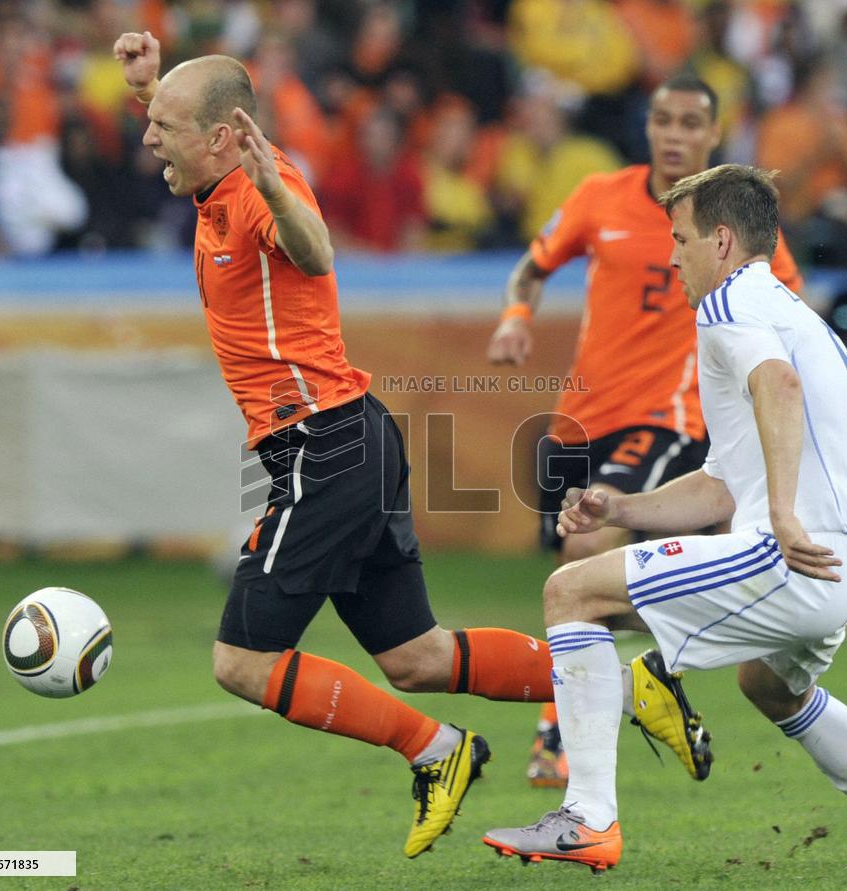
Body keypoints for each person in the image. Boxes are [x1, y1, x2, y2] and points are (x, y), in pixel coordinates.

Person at [111, 29, 597, 860]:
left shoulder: (261, 188)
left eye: (162, 125)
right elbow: (193, 129)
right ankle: (616, 683)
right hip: (351, 436)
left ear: (223, 139)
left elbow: (314, 249)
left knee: (241, 661)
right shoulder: (217, 171)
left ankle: (436, 750)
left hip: (323, 447)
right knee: (416, 656)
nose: (148, 137)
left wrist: (276, 191)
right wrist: (151, 89)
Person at [483, 164, 847, 873]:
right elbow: (722, 485)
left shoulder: (728, 304)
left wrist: (781, 515)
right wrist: (623, 506)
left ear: (721, 241)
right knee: (770, 686)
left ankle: (588, 817)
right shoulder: (788, 310)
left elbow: (778, 385)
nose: (671, 256)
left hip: (797, 553)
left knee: (572, 592)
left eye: (679, 239)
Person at [487, 73, 803, 788]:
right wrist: (515, 316)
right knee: (575, 583)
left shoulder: (732, 224)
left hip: (668, 419)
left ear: (714, 134)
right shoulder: (600, 197)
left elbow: (784, 305)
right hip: (577, 422)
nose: (674, 134)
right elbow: (532, 267)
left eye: (690, 122)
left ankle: (560, 738)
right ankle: (653, 677)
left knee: (587, 546)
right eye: (663, 120)